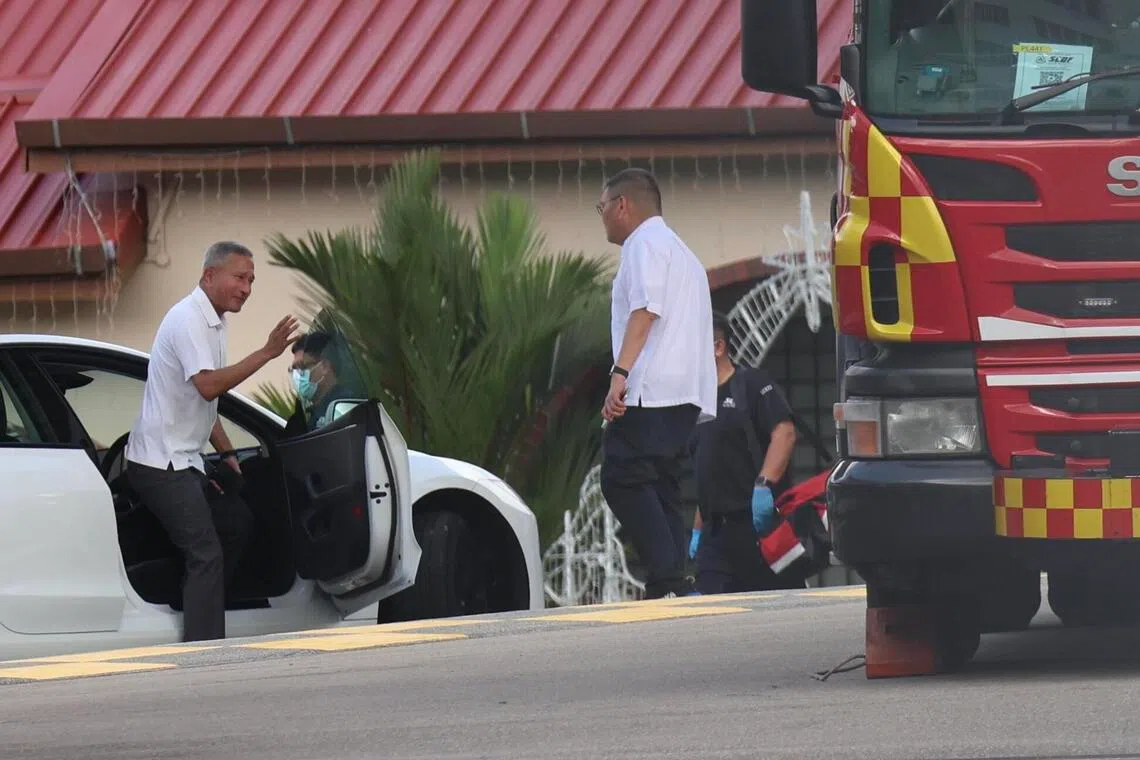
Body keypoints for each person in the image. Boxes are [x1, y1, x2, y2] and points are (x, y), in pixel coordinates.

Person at [125, 241, 300, 642]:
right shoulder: (188, 319)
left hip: (186, 461)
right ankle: (202, 650)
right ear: (209, 276)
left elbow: (206, 402)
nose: (247, 288)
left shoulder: (214, 322)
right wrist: (268, 353)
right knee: (205, 553)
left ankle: (196, 602)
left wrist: (226, 452)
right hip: (161, 464)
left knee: (236, 523)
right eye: (240, 277)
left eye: (252, 280)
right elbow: (207, 386)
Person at [596, 167, 717, 599]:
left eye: (602, 207)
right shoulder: (683, 252)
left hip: (653, 387)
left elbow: (645, 311)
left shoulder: (643, 244)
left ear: (622, 205)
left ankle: (665, 575)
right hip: (686, 390)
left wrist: (620, 374)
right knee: (661, 480)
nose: (603, 216)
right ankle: (674, 578)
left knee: (621, 476)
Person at [688, 312, 802, 595]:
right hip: (715, 535)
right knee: (707, 611)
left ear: (718, 347)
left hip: (756, 527)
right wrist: (698, 529)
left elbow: (784, 433)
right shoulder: (695, 404)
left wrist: (763, 486)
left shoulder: (750, 384)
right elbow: (707, 469)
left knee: (779, 609)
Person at [284, 331, 354, 435]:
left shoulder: (343, 406)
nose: (297, 375)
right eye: (294, 369)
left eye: (303, 367)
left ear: (325, 367)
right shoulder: (307, 414)